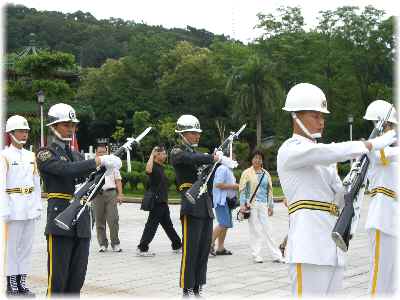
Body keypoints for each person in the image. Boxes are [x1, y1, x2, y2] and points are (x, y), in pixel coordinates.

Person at [276, 83, 396, 296]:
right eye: (315, 116)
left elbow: (340, 199)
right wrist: (370, 144)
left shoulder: (323, 159)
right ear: (296, 116)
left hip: (333, 247)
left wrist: (354, 181)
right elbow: (330, 151)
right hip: (309, 247)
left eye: (323, 116)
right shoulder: (290, 150)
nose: (321, 122)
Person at [36, 103, 121, 296]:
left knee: (77, 279)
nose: (71, 129)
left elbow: (90, 184)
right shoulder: (45, 153)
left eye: (73, 125)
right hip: (61, 220)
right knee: (58, 280)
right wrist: (97, 161)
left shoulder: (76, 154)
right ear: (53, 126)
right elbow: (64, 170)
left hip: (81, 220)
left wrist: (105, 170)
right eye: (66, 124)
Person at [170, 115, 220, 297]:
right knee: (191, 248)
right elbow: (189, 159)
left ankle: (198, 286)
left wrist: (215, 161)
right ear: (182, 133)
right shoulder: (177, 151)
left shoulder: (200, 155)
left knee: (203, 248)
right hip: (190, 203)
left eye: (198, 133)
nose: (197, 136)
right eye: (193, 133)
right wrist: (210, 157)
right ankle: (187, 287)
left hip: (205, 203)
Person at [0, 115, 42, 296]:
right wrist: (4, 209)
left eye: (26, 131)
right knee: (12, 248)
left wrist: (38, 205)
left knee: (26, 247)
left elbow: (37, 182)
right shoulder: (4, 156)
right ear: (11, 134)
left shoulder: (31, 155)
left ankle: (22, 281)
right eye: (20, 131)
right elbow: (1, 184)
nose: (24, 134)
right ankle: (11, 284)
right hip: (13, 206)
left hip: (29, 206)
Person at [363, 100, 398, 295]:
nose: (390, 129)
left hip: (393, 221)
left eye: (391, 126)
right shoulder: (375, 150)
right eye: (388, 126)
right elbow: (379, 154)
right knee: (380, 278)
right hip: (381, 220)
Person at [238, 150, 284, 263]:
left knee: (269, 229)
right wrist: (243, 205)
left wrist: (271, 206)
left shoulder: (266, 173)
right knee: (255, 230)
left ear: (262, 160)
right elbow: (242, 190)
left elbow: (270, 190)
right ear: (252, 159)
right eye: (255, 158)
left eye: (259, 158)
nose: (257, 160)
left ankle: (276, 255)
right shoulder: (246, 173)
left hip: (263, 204)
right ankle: (256, 255)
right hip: (251, 204)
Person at [137, 145, 182, 256]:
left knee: (168, 225)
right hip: (157, 202)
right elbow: (147, 170)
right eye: (163, 153)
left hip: (163, 201)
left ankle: (177, 245)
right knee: (151, 225)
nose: (165, 155)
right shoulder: (153, 166)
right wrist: (152, 154)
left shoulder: (161, 167)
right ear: (157, 155)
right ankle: (142, 248)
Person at [93, 143, 124, 253]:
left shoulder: (112, 164)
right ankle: (102, 244)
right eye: (100, 152)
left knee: (113, 219)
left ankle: (115, 243)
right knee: (99, 220)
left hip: (111, 193)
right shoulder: (92, 165)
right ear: (96, 153)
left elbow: (118, 180)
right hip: (97, 195)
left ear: (107, 152)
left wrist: (120, 194)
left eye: (104, 152)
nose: (102, 154)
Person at [210, 150, 239, 256]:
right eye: (233, 157)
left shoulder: (228, 169)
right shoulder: (222, 168)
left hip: (227, 201)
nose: (235, 160)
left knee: (225, 224)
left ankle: (220, 248)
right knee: (223, 223)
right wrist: (235, 186)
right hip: (221, 201)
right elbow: (218, 184)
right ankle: (209, 245)